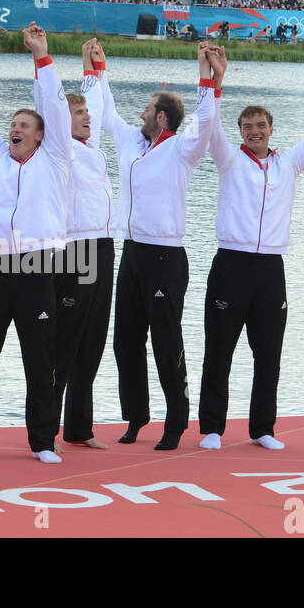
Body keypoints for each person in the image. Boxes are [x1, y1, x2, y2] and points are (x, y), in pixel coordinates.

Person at [197, 55, 304, 451]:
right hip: (231, 262)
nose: (255, 132)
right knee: (219, 351)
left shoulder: (288, 163)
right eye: (247, 128)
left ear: (271, 130)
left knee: (269, 354)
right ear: (240, 133)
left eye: (260, 126)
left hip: (270, 269)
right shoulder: (228, 160)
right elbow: (207, 127)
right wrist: (214, 80)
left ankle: (263, 429)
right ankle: (212, 427)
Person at [0, 24, 70, 464]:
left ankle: (42, 441)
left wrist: (41, 55)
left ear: (40, 135)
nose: (14, 129)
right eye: (13, 125)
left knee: (39, 360)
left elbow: (56, 110)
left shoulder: (57, 156)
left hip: (39, 266)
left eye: (23, 125)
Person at [102, 41, 222, 450]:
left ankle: (176, 421)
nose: (141, 113)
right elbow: (105, 111)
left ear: (163, 117)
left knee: (165, 341)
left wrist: (206, 75)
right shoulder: (132, 145)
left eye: (148, 108)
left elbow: (205, 121)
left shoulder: (182, 149)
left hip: (165, 256)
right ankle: (136, 417)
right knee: (125, 342)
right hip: (132, 253)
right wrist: (96, 71)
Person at [41, 39, 117, 451]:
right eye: (78, 112)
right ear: (60, 121)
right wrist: (76, 68)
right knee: (65, 342)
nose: (88, 116)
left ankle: (79, 428)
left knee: (93, 341)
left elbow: (98, 105)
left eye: (87, 112)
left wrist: (94, 69)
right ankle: (45, 428)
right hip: (76, 252)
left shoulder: (92, 148)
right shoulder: (60, 149)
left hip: (104, 249)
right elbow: (59, 104)